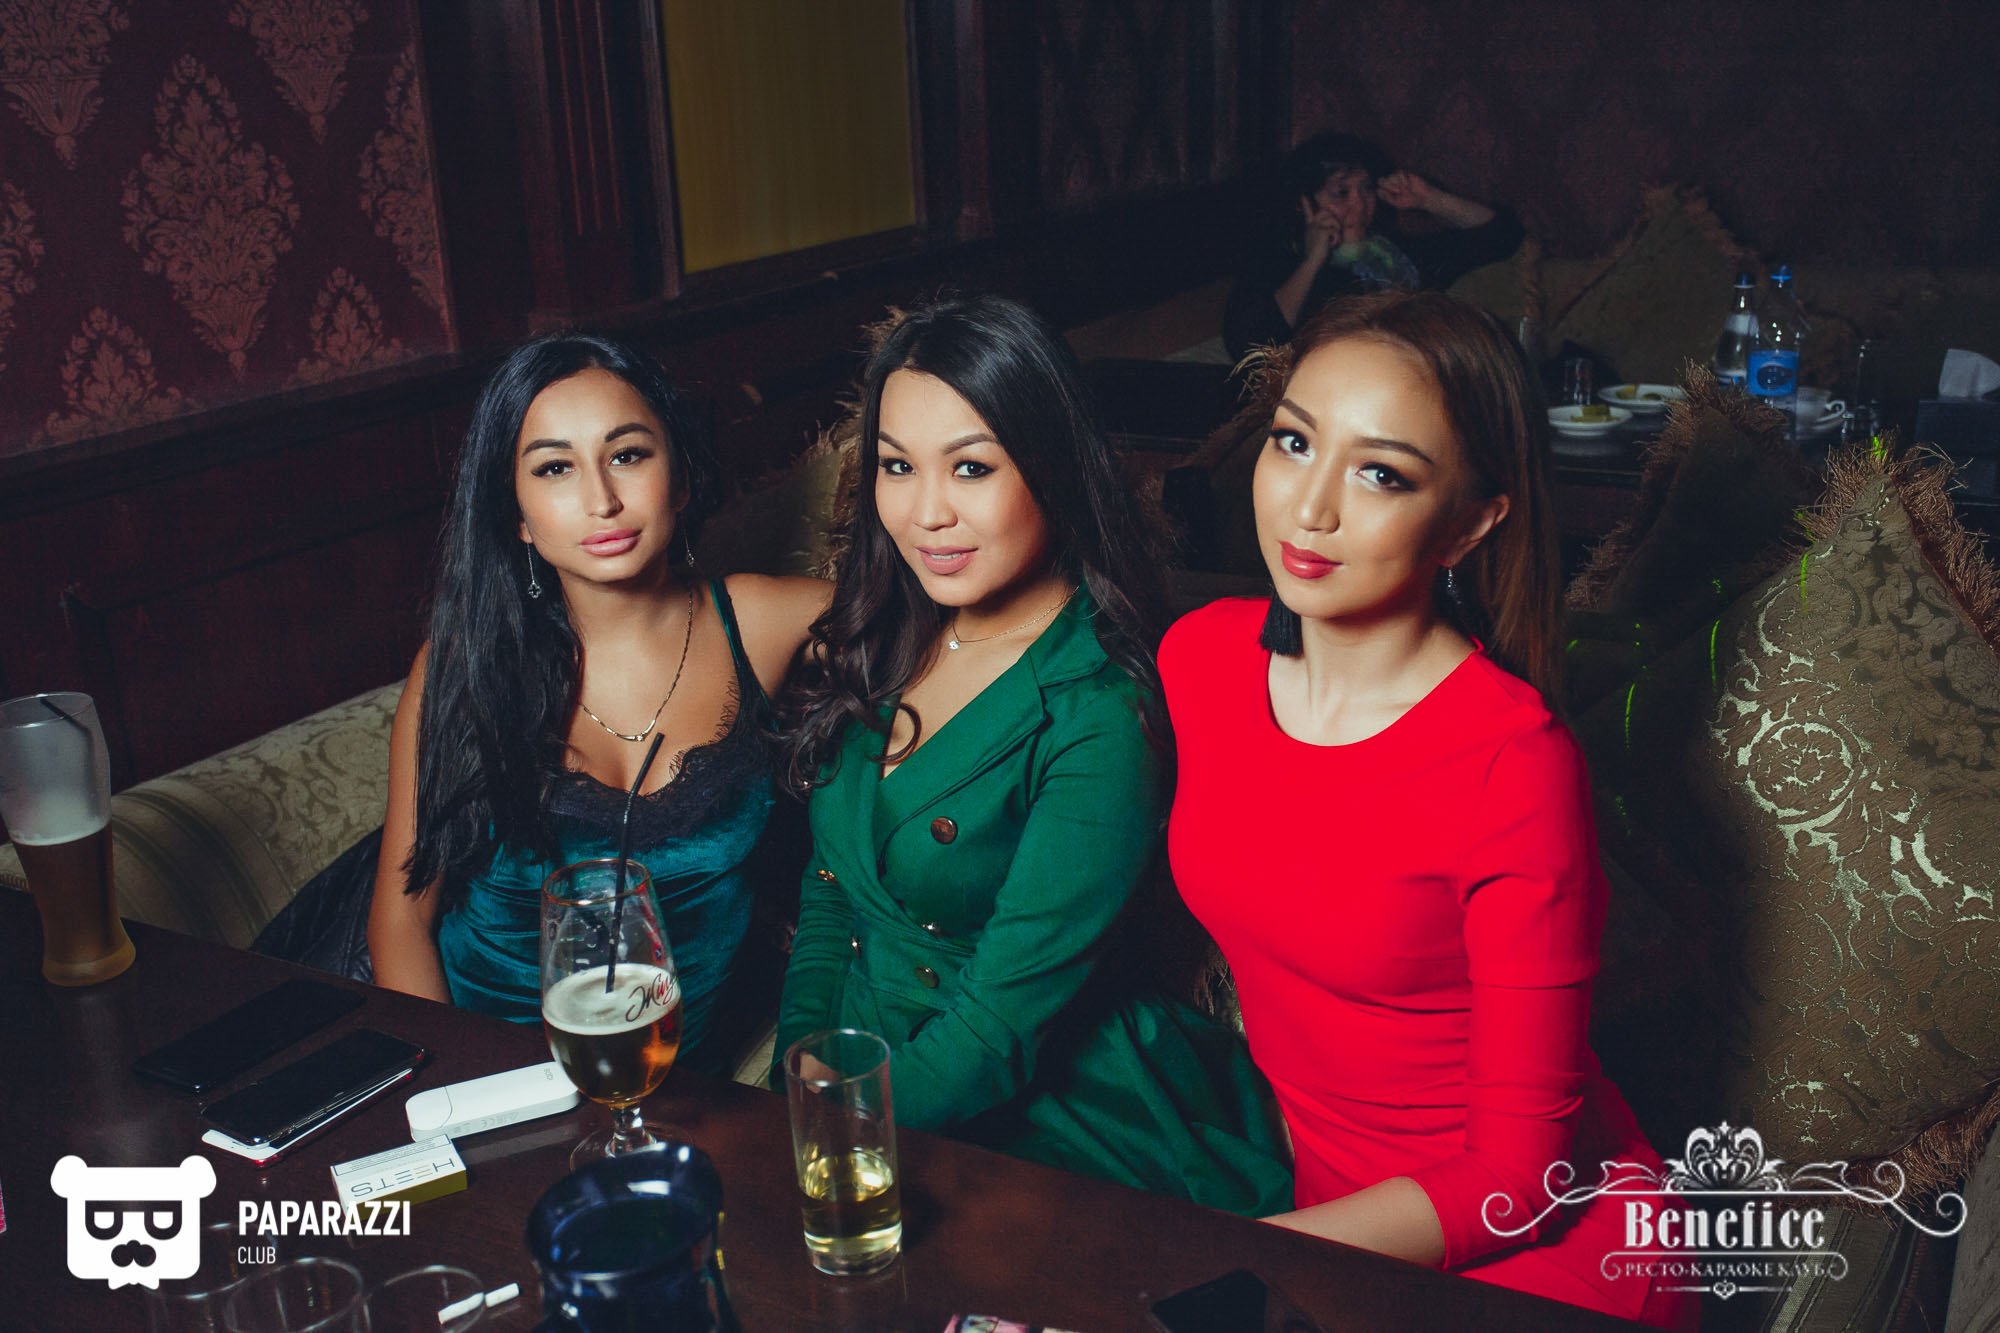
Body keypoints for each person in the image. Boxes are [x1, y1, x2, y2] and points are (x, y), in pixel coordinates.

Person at [1161, 292, 1694, 1327]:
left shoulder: (1512, 764)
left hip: (1532, 1245)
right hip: (1324, 1209)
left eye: (1381, 473)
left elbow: (1519, 1178)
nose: (1309, 508)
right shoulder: (1202, 658)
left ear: (1470, 521)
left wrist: (1247, 1256)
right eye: (1293, 442)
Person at [773, 294, 1291, 1215]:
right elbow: (831, 889)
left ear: (1051, 468)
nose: (927, 511)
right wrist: (799, 1068)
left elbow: (999, 1028)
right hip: (864, 1066)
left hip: (1041, 1104)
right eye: (897, 465)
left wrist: (840, 1127)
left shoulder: (1099, 706)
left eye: (971, 467)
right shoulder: (888, 628)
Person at [367, 332, 828, 1073]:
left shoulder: (761, 621)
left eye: (628, 454)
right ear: (517, 515)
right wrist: (449, 1096)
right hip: (486, 1077)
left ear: (680, 477)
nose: (601, 500)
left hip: (673, 1080)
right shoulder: (464, 667)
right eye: (555, 467)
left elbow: (950, 633)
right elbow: (401, 921)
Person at [1222, 133, 1523, 361]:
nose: (1360, 204)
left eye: (1366, 189)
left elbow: (1502, 236)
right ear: (1303, 202)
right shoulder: (1278, 262)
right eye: (1341, 192)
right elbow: (1252, 346)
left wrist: (1430, 199)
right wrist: (1312, 262)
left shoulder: (1395, 255)